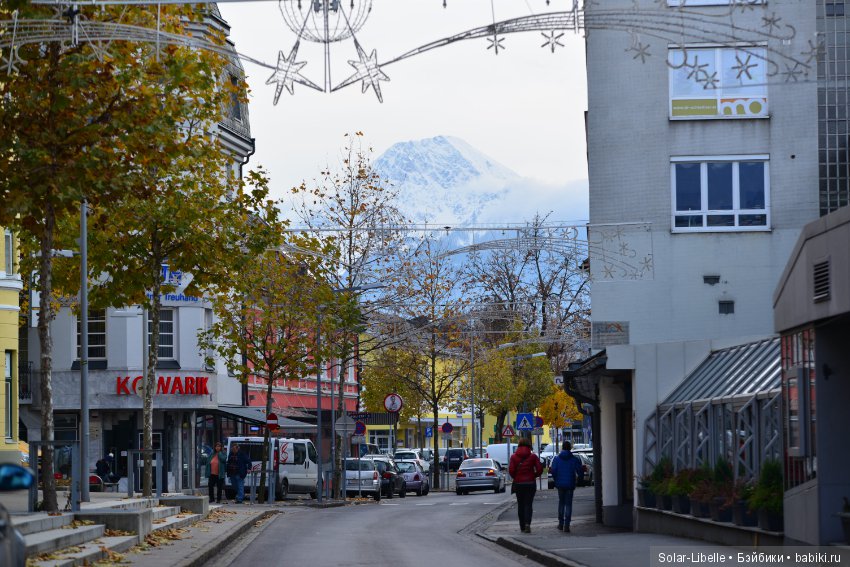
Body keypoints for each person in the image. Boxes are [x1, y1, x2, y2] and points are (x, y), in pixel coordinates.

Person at [508, 437, 544, 533]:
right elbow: (540, 469)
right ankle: (528, 523)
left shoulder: (513, 457)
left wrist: (516, 477)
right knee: (528, 504)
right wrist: (534, 475)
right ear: (529, 445)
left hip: (519, 484)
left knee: (520, 505)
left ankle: (522, 526)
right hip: (530, 483)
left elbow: (511, 470)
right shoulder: (533, 456)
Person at [550, 440, 584, 532]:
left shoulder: (556, 459)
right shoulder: (574, 459)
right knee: (568, 504)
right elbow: (579, 471)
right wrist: (580, 479)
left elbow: (553, 471)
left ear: (562, 448)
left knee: (561, 503)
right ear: (570, 448)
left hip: (560, 484)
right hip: (570, 484)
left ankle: (561, 523)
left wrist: (556, 480)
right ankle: (567, 525)